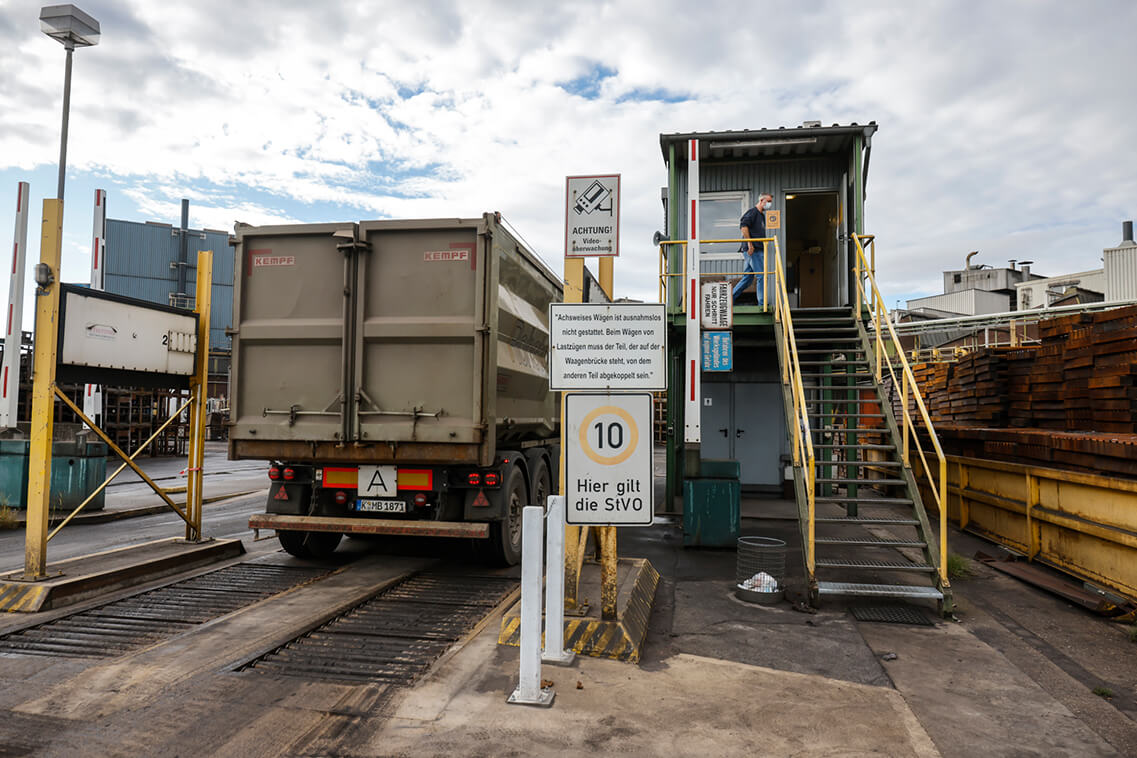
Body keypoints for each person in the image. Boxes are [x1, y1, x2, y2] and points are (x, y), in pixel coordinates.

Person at [732, 193, 773, 305]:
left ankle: (729, 299)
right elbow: (743, 226)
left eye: (770, 202)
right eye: (768, 201)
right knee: (761, 275)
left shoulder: (761, 216)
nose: (769, 204)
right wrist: (750, 244)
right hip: (752, 250)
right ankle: (762, 303)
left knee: (748, 278)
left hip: (757, 249)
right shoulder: (753, 212)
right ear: (761, 200)